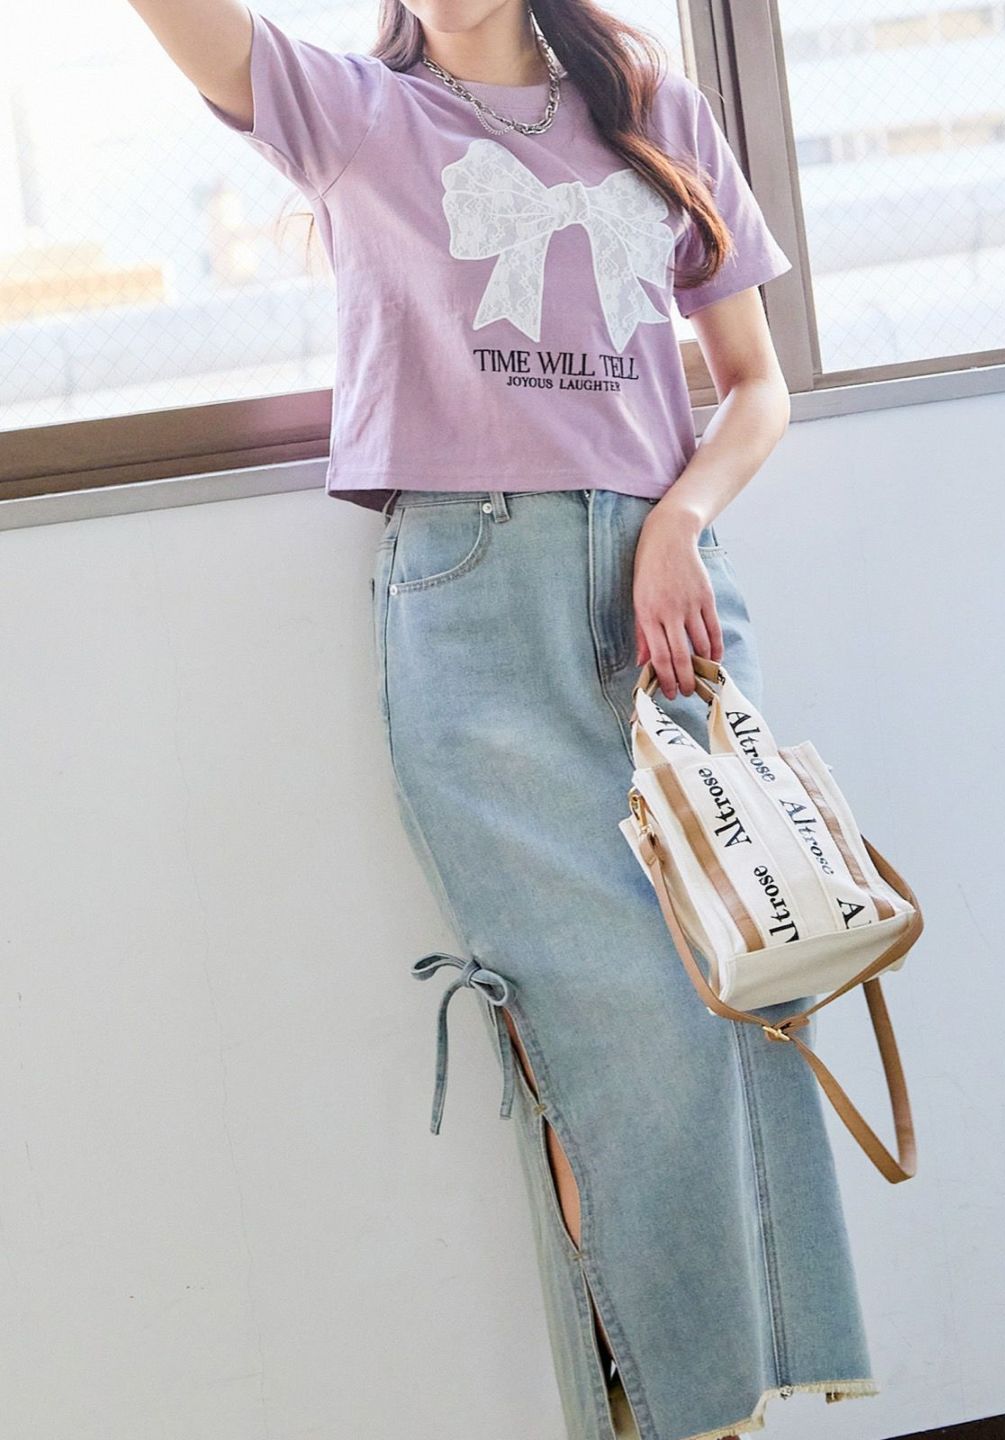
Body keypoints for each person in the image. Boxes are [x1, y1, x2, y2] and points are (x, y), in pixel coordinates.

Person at [131, 1, 881, 1435]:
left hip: (665, 609)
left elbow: (756, 388)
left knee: (745, 994)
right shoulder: (353, 114)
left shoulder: (654, 108)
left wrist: (680, 521)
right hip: (476, 614)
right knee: (609, 1037)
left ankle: (738, 1397)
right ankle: (677, 1416)